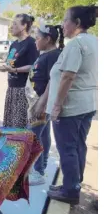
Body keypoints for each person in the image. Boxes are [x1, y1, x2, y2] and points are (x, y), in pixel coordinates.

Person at [46, 6, 98, 205]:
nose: (62, 24)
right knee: (78, 146)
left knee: (67, 148)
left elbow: (68, 76)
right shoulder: (94, 41)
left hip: (71, 107)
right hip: (87, 104)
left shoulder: (76, 44)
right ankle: (73, 183)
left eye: (65, 20)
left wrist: (57, 105)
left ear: (77, 23)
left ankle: (70, 191)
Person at [27, 23, 64, 186]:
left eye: (38, 38)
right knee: (42, 134)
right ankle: (41, 166)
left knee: (33, 136)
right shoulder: (45, 54)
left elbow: (52, 80)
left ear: (48, 39)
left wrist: (41, 103)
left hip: (41, 102)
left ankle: (37, 171)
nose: (36, 41)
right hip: (37, 101)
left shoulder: (54, 55)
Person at [0, 14, 39, 128]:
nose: (12, 26)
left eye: (15, 24)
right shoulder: (14, 44)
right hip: (11, 89)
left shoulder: (31, 43)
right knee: (10, 125)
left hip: (23, 91)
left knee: (20, 128)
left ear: (24, 26)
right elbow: (10, 62)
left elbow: (34, 66)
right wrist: (5, 67)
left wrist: (15, 69)